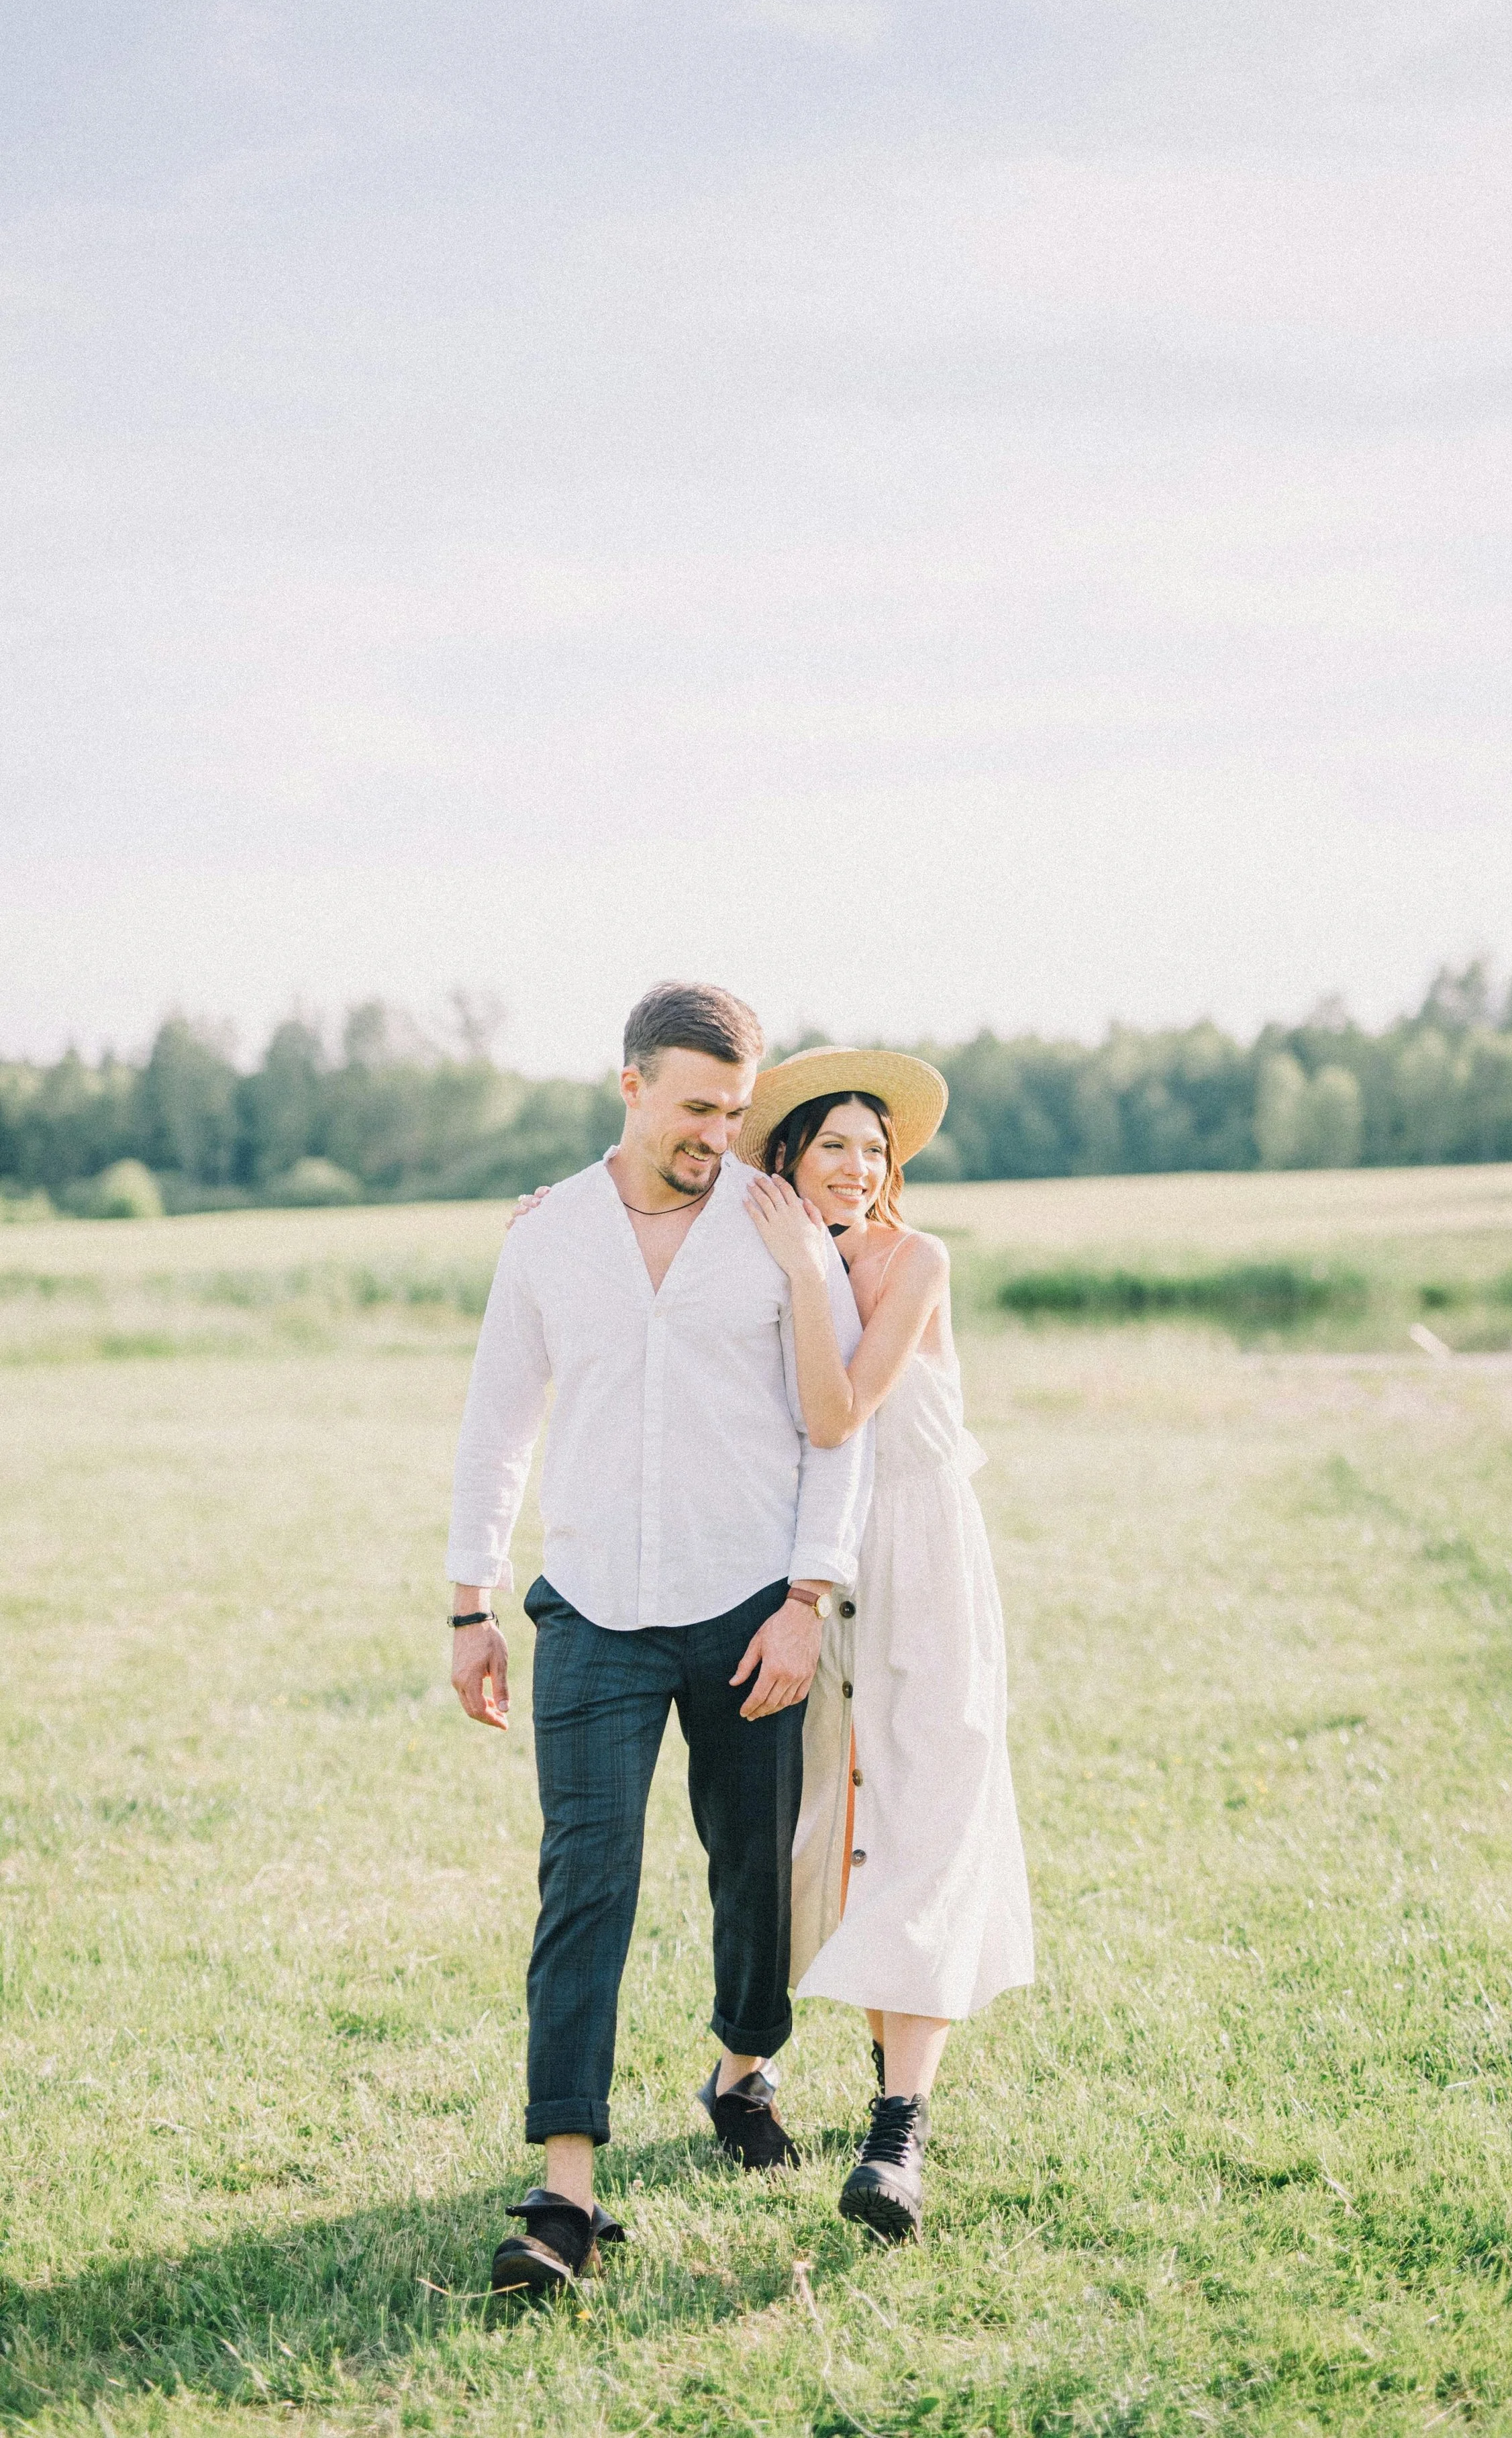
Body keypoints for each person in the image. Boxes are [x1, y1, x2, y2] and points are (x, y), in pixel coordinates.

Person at [446, 985, 872, 2299]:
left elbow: (833, 1427)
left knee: (749, 1867)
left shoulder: (775, 1224)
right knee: (587, 1878)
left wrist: (806, 1600)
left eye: (736, 1112)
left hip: (749, 1606)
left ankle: (744, 2067)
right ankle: (563, 2192)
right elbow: (495, 1422)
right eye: (695, 1108)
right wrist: (470, 1600)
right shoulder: (549, 1237)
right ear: (628, 1086)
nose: (717, 1135)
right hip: (587, 1606)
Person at [738, 1047, 1034, 2244]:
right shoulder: (759, 1254)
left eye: (876, 1148)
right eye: (834, 1147)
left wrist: (811, 1270)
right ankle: (755, 2068)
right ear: (789, 1160)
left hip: (924, 1566)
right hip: (811, 1567)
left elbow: (839, 1409)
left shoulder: (914, 1260)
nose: (860, 1167)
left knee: (933, 1812)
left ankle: (897, 2133)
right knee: (840, 1827)